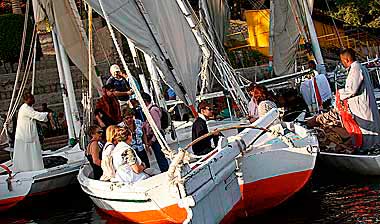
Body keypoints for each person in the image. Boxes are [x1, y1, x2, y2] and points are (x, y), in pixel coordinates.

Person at [309, 48, 380, 151]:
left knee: (367, 129)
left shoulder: (355, 69)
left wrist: (339, 93)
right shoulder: (361, 68)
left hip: (362, 107)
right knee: (370, 127)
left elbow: (351, 90)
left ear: (346, 60)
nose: (342, 63)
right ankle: (373, 146)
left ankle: (370, 149)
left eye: (342, 61)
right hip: (364, 104)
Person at [12, 93, 50, 172]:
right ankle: (28, 169)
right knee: (28, 153)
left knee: (31, 153)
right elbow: (35, 115)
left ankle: (33, 168)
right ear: (26, 99)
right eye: (31, 98)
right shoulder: (25, 108)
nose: (33, 100)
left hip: (28, 134)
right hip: (25, 135)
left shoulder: (28, 107)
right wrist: (48, 114)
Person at [141, 92, 169, 172]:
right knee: (159, 157)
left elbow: (157, 127)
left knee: (160, 157)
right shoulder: (148, 111)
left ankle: (166, 171)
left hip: (156, 137)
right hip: (154, 137)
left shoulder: (153, 110)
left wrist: (152, 140)